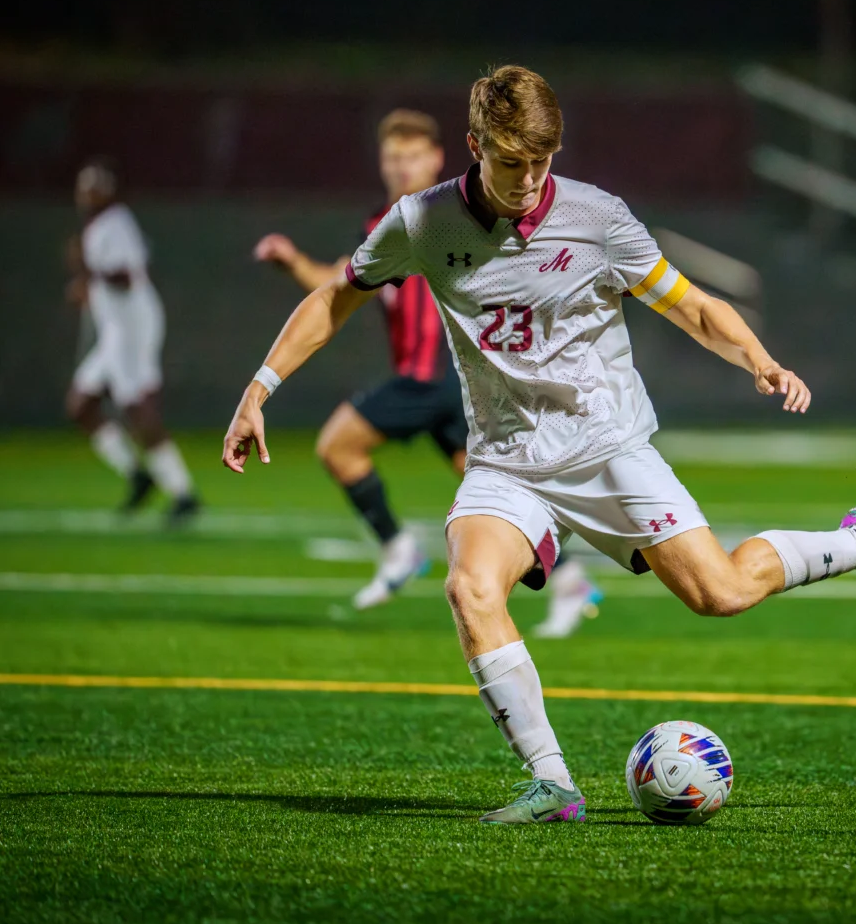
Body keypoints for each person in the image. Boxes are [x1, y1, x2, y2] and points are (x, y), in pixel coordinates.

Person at [223, 66, 856, 824]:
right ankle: (553, 783)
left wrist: (761, 359)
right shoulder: (422, 222)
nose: (527, 180)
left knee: (721, 594)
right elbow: (335, 296)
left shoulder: (597, 217)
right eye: (511, 163)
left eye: (542, 162)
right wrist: (259, 389)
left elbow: (691, 305)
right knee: (470, 588)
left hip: (608, 448)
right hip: (507, 460)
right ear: (476, 146)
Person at [253, 109, 600, 634]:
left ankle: (398, 551)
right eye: (392, 158)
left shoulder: (449, 217)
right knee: (498, 492)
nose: (401, 167)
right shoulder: (387, 225)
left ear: (438, 158)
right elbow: (336, 285)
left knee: (337, 446)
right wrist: (291, 260)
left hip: (435, 376)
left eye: (412, 157)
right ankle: (571, 579)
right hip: (451, 386)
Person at [67, 157, 199, 521]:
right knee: (81, 405)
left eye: (94, 188)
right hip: (114, 331)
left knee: (137, 408)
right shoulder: (99, 227)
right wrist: (87, 284)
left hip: (131, 329)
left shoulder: (115, 223)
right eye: (83, 188)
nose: (86, 195)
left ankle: (182, 491)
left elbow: (125, 277)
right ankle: (139, 476)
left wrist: (87, 271)